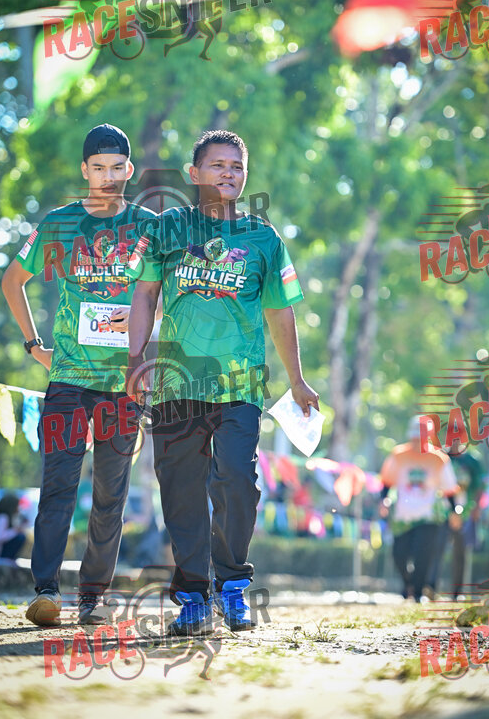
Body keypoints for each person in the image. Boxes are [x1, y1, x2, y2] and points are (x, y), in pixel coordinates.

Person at [126, 129, 319, 635]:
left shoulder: (264, 239)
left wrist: (297, 380)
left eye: (236, 166)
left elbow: (281, 311)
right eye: (218, 165)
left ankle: (232, 585)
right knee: (181, 490)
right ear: (194, 174)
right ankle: (192, 596)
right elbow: (144, 294)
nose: (228, 173)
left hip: (240, 386)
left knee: (237, 479)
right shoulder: (168, 228)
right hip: (176, 385)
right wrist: (135, 360)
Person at [1, 124, 155, 626]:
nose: (108, 177)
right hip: (67, 379)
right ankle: (46, 591)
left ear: (129, 170)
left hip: (123, 385)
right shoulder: (60, 223)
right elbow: (12, 280)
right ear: (84, 170)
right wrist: (35, 347)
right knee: (58, 489)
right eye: (98, 168)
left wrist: (147, 344)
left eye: (117, 168)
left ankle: (93, 597)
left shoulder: (150, 227)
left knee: (111, 495)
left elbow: (165, 297)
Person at [380, 416, 459, 602]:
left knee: (423, 557)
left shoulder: (439, 459)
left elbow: (449, 489)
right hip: (403, 516)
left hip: (428, 517)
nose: (417, 442)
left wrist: (454, 511)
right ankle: (408, 583)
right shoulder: (398, 455)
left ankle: (417, 594)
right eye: (415, 438)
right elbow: (386, 481)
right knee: (399, 554)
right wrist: (383, 500)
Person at [426, 439, 485, 599]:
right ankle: (430, 587)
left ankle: (458, 592)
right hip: (442, 511)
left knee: (460, 552)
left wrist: (476, 508)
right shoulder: (441, 457)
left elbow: (480, 486)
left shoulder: (472, 461)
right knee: (437, 548)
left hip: (464, 512)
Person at [0, 492, 28, 560]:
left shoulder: (5, 517)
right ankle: (7, 558)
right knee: (21, 537)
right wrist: (15, 531)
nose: (18, 508)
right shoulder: (3, 518)